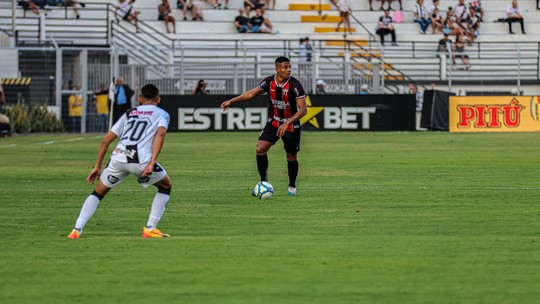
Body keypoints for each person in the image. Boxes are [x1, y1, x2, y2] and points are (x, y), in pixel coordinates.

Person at [67, 84, 173, 239]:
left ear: (140, 99)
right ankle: (150, 228)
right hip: (140, 161)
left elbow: (105, 141)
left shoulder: (129, 113)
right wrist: (152, 163)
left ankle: (77, 229)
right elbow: (161, 134)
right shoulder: (162, 114)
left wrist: (97, 166)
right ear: (158, 99)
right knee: (166, 185)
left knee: (98, 193)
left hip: (118, 157)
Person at [220, 56, 307, 196]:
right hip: (274, 122)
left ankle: (292, 187)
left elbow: (303, 110)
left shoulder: (295, 85)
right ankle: (264, 184)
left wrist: (287, 122)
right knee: (260, 149)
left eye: (290, 67)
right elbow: (251, 94)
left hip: (291, 125)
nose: (289, 69)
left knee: (291, 156)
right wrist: (232, 101)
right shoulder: (268, 82)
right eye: (285, 67)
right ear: (277, 68)